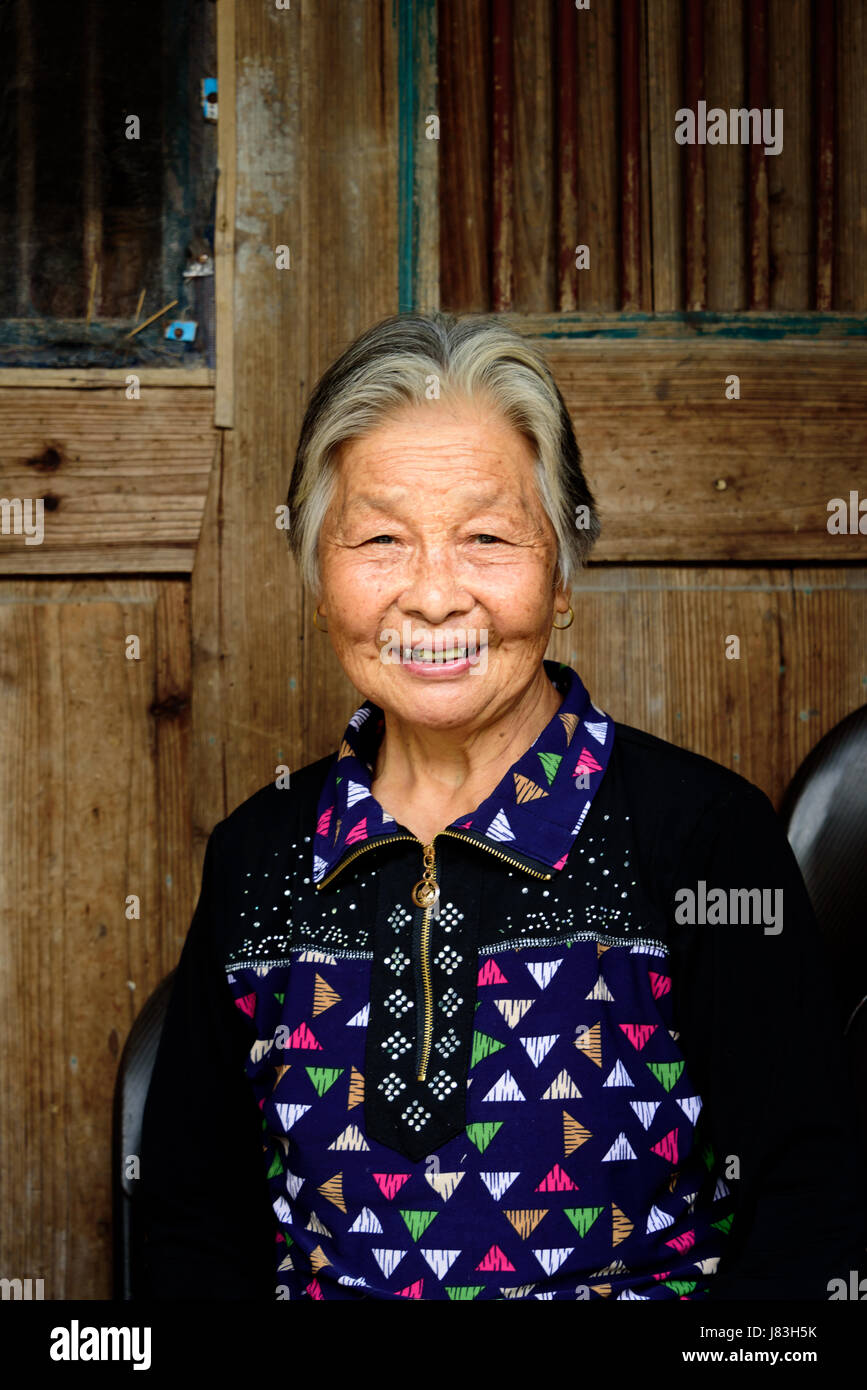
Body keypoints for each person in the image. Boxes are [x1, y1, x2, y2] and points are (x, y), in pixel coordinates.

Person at [138, 310, 865, 1300]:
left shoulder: (699, 839)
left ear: (561, 573)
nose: (435, 595)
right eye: (381, 538)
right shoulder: (261, 855)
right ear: (319, 578)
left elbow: (807, 1210)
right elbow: (193, 1220)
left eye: (485, 536)